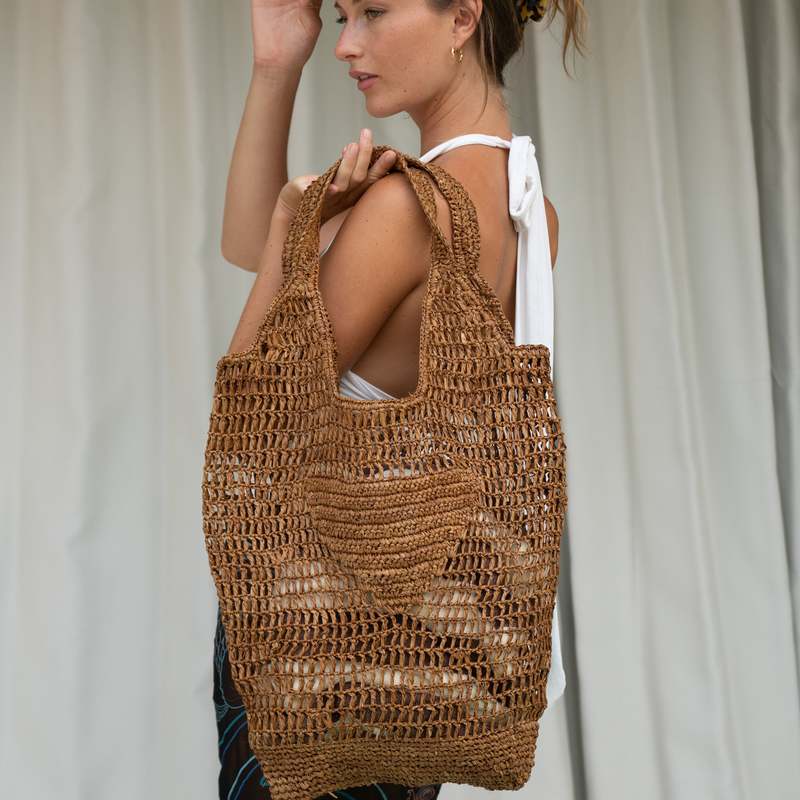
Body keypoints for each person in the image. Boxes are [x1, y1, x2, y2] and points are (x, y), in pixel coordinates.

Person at [214, 0, 587, 798]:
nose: (347, 44)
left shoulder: (406, 210)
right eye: (343, 16)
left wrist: (290, 223)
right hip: (417, 656)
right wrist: (277, 67)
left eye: (376, 12)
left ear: (463, 18)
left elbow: (251, 427)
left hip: (320, 648)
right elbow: (247, 248)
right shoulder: (531, 212)